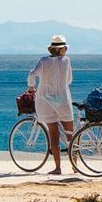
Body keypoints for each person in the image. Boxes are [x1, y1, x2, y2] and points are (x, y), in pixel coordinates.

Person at [27, 34, 76, 175]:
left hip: (45, 101)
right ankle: (75, 166)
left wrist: (31, 87)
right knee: (70, 135)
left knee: (53, 135)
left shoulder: (43, 61)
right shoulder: (66, 61)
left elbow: (32, 74)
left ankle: (58, 168)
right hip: (63, 100)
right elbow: (69, 80)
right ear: (63, 49)